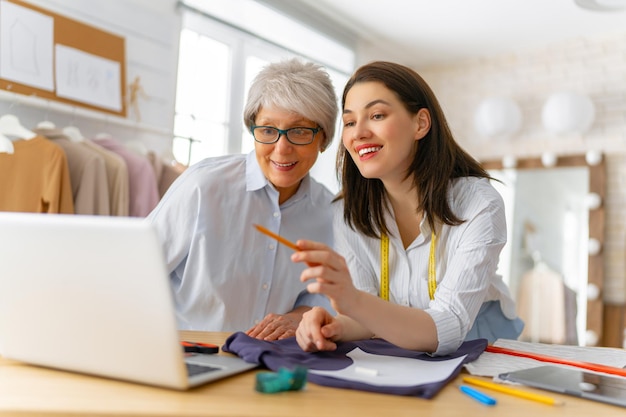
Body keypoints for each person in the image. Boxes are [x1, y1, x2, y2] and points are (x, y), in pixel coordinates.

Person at [292, 61, 523, 355]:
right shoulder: (346, 214)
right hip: (399, 344)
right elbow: (370, 319)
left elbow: (450, 325)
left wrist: (353, 302)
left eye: (376, 115)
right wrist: (335, 325)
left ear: (421, 123)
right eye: (349, 122)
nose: (358, 133)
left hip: (481, 344)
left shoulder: (478, 203)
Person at [147, 58, 338, 340]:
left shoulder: (331, 213)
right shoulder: (204, 187)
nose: (282, 149)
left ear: (323, 139)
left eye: (299, 131)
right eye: (269, 130)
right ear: (252, 129)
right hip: (188, 355)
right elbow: (137, 273)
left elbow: (324, 295)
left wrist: (300, 317)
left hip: (273, 362)